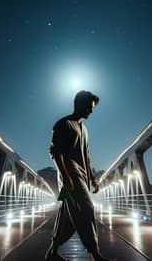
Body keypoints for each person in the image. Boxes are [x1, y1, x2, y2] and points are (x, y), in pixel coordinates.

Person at [45, 91, 110, 261]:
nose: (91, 111)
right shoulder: (63, 124)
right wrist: (66, 177)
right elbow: (55, 152)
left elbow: (87, 156)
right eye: (89, 107)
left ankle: (52, 253)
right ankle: (95, 254)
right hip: (71, 175)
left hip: (83, 177)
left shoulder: (85, 129)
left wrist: (94, 178)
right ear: (80, 105)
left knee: (67, 217)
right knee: (87, 209)